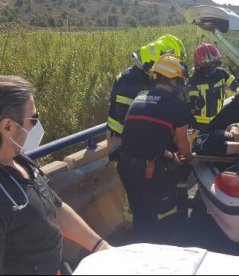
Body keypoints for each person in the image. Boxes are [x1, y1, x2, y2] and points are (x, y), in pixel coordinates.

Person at [0, 76, 111, 275]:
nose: (37, 126)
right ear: (7, 126)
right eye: (33, 119)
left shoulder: (21, 161)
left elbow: (56, 207)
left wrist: (101, 247)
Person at [117, 54, 197, 239]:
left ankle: (141, 249)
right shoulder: (176, 105)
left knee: (141, 214)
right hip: (148, 171)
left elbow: (143, 137)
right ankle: (166, 247)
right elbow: (183, 144)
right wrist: (192, 159)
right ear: (174, 80)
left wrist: (168, 154)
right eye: (180, 80)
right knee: (166, 212)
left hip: (126, 166)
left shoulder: (140, 98)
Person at [106, 34, 187, 160]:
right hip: (121, 139)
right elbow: (127, 121)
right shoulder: (128, 81)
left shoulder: (153, 78)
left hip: (143, 139)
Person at [187, 43, 239, 131]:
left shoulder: (221, 74)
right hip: (199, 125)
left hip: (218, 119)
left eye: (213, 64)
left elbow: (233, 82)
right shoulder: (193, 80)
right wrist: (195, 104)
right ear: (198, 65)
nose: (210, 68)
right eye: (206, 66)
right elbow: (189, 103)